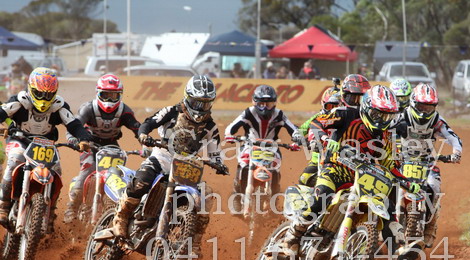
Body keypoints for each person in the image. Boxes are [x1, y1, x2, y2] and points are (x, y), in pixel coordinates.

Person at [280, 85, 421, 254]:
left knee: (388, 207)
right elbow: (318, 123)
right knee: (322, 196)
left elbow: (390, 164)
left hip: (363, 176)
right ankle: (292, 237)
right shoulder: (346, 114)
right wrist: (323, 138)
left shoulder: (387, 134)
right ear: (367, 108)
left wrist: (407, 182)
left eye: (387, 116)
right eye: (378, 114)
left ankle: (398, 250)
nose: (381, 120)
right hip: (336, 168)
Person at [112, 75, 229, 238]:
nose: (200, 108)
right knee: (141, 182)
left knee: (206, 196)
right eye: (197, 103)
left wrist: (219, 164)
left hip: (188, 166)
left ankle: (195, 239)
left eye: (205, 104)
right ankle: (121, 217)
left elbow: (215, 152)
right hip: (162, 157)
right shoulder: (171, 111)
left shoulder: (211, 127)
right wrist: (144, 134)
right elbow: (148, 123)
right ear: (187, 97)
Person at [0, 67, 91, 228]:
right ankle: (3, 205)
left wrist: (83, 139)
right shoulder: (19, 101)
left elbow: (74, 124)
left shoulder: (59, 106)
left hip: (46, 145)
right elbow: (2, 112)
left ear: (54, 93)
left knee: (56, 171)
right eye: (39, 93)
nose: (43, 98)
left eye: (48, 95)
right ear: (31, 88)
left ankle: (50, 212)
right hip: (20, 139)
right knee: (15, 161)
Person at [63, 74, 141, 223]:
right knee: (88, 168)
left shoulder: (124, 110)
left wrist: (145, 143)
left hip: (112, 145)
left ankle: (114, 206)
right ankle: (71, 208)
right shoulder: (88, 108)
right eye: (106, 95)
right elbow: (74, 125)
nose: (109, 99)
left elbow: (137, 129)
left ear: (120, 95)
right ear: (98, 93)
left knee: (118, 174)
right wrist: (74, 139)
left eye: (114, 96)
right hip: (89, 144)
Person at [394, 83, 462, 256]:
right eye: (422, 106)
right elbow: (386, 134)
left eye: (429, 107)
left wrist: (456, 153)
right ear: (413, 102)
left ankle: (430, 226)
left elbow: (452, 136)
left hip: (426, 162)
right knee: (387, 185)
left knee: (434, 187)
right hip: (401, 161)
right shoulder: (401, 117)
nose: (424, 111)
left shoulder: (437, 120)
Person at [224, 84, 300, 212]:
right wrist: (229, 135)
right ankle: (237, 193)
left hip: (271, 147)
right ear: (254, 102)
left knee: (275, 167)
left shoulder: (279, 114)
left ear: (274, 103)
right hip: (250, 145)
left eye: (268, 104)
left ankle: (274, 193)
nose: (264, 107)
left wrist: (297, 138)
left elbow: (293, 128)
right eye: (261, 104)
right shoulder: (249, 112)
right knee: (243, 163)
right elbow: (231, 127)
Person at [296, 85, 342, 186]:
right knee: (304, 179)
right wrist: (298, 136)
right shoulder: (318, 118)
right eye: (330, 106)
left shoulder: (345, 118)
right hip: (317, 159)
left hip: (340, 159)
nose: (333, 110)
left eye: (337, 107)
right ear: (323, 104)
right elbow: (302, 129)